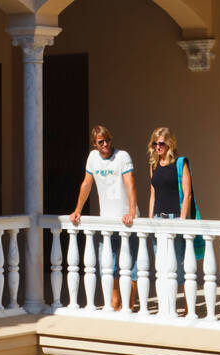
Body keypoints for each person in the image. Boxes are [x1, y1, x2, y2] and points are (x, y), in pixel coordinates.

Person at [69, 126, 138, 310]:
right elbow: (86, 184)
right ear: (95, 144)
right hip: (107, 223)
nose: (106, 144)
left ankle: (129, 306)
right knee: (108, 267)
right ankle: (115, 305)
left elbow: (130, 184)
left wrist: (131, 211)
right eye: (101, 142)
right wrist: (77, 210)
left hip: (127, 223)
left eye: (107, 140)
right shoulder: (92, 158)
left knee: (130, 268)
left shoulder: (122, 157)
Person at [147, 127, 192, 312]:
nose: (158, 147)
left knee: (179, 264)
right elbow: (152, 194)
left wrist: (181, 220)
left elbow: (187, 194)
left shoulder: (180, 164)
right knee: (162, 264)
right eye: (155, 143)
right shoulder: (153, 165)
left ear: (169, 144)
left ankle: (189, 307)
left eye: (161, 144)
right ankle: (166, 306)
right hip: (158, 218)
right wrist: (150, 220)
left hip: (175, 218)